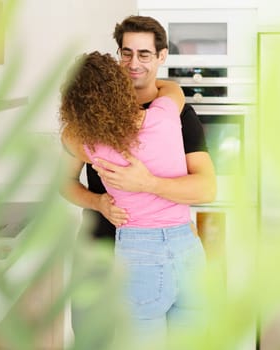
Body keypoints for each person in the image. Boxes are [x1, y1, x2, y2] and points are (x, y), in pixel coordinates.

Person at [59, 51, 207, 348]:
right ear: (123, 87)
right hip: (188, 248)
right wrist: (134, 79)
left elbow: (68, 136)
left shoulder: (94, 146)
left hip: (140, 255)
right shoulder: (165, 116)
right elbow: (173, 89)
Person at [60, 15, 216, 241]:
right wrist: (99, 203)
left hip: (158, 246)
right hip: (98, 247)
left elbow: (206, 189)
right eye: (126, 53)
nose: (133, 63)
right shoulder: (91, 116)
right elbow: (63, 182)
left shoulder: (180, 115)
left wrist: (148, 184)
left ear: (161, 56)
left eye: (144, 54)